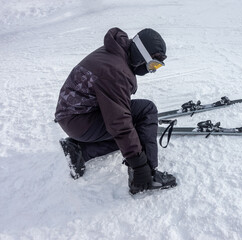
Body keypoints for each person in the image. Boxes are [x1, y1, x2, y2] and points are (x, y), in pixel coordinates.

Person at [54, 27, 177, 194]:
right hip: (79, 120)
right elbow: (119, 123)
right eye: (153, 64)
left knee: (133, 132)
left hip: (75, 116)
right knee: (145, 113)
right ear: (141, 55)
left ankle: (81, 151)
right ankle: (147, 177)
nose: (152, 70)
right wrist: (140, 166)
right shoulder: (115, 71)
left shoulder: (117, 52)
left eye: (157, 66)